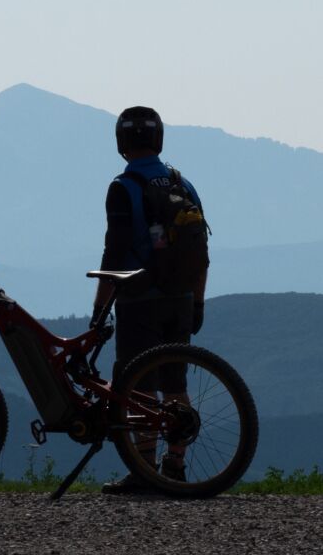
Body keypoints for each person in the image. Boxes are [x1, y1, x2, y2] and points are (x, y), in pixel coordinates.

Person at [94, 105, 209, 494]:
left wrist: (98, 309)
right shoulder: (183, 183)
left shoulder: (123, 187)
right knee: (175, 382)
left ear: (121, 143)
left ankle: (144, 471)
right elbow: (200, 251)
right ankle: (174, 467)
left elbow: (114, 253)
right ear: (158, 139)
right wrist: (198, 303)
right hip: (180, 298)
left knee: (139, 386)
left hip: (139, 299)